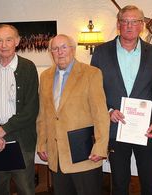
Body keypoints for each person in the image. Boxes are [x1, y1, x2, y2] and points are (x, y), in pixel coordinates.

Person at [91, 5, 152, 195]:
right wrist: (108, 111)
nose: (129, 26)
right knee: (119, 184)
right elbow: (94, 92)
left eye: (134, 22)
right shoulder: (100, 53)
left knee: (149, 184)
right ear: (118, 24)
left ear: (142, 25)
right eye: (125, 21)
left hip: (145, 130)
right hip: (116, 130)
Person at [36, 34, 110, 195]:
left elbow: (101, 115)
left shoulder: (91, 73)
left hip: (84, 155)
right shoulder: (45, 76)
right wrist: (42, 143)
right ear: (51, 53)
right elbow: (43, 114)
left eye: (64, 47)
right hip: (57, 156)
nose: (60, 52)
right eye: (55, 48)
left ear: (73, 50)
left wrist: (100, 146)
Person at [0, 24, 39, 195]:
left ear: (17, 41)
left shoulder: (28, 68)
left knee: (26, 189)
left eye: (9, 40)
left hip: (22, 142)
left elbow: (31, 109)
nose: (4, 45)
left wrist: (3, 130)